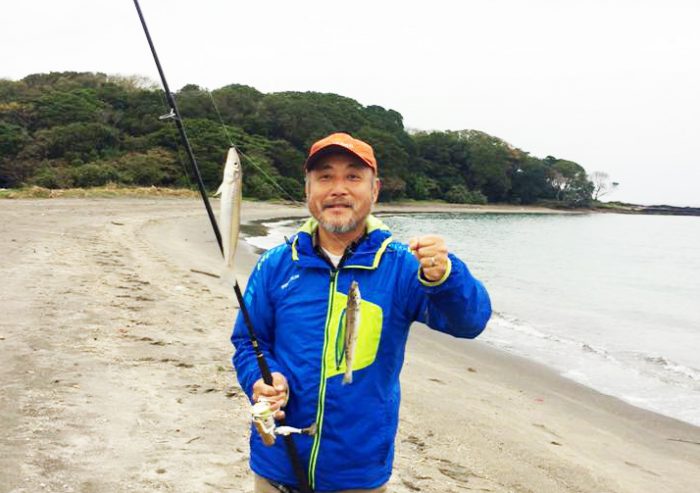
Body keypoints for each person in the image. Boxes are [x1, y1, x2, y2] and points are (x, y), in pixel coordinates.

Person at [232, 132, 492, 492]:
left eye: (353, 177)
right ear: (308, 189)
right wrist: (261, 378)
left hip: (359, 472)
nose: (338, 189)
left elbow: (470, 322)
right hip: (276, 463)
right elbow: (249, 342)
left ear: (375, 190)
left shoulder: (402, 265)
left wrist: (447, 277)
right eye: (325, 177)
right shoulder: (277, 264)